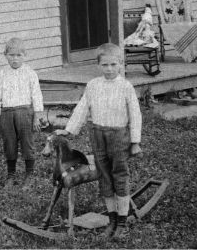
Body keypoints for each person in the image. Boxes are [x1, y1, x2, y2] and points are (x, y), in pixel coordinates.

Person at [54, 43, 143, 239]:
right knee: (104, 175)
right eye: (105, 65)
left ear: (121, 64)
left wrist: (135, 142)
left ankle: (122, 221)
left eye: (113, 64)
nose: (109, 69)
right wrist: (69, 130)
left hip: (119, 137)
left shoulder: (125, 86)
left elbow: (135, 115)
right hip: (97, 135)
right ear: (98, 65)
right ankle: (111, 220)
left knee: (119, 175)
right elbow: (82, 108)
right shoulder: (93, 85)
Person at [0, 37, 44, 185]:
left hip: (24, 112)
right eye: (11, 55)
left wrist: (37, 116)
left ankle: (29, 174)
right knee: (9, 143)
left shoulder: (30, 73)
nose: (15, 59)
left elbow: (36, 94)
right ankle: (11, 175)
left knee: (27, 142)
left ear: (24, 55)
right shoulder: (2, 73)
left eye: (18, 55)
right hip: (7, 113)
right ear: (5, 55)